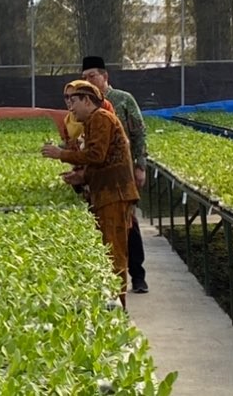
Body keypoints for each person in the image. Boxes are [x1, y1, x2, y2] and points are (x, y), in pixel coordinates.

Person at [41, 80, 139, 309]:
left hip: (115, 193)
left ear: (87, 101)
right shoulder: (93, 121)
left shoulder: (101, 118)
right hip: (107, 193)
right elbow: (101, 161)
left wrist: (61, 154)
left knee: (114, 253)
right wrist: (81, 177)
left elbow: (96, 155)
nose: (70, 108)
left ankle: (119, 308)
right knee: (109, 250)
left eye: (74, 102)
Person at [81, 56, 149, 294]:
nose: (88, 81)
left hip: (122, 174)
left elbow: (139, 133)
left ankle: (138, 275)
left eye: (92, 76)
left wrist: (140, 165)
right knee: (107, 226)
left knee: (129, 223)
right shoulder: (83, 103)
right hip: (99, 176)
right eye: (84, 78)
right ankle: (109, 275)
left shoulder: (122, 99)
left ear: (105, 76)